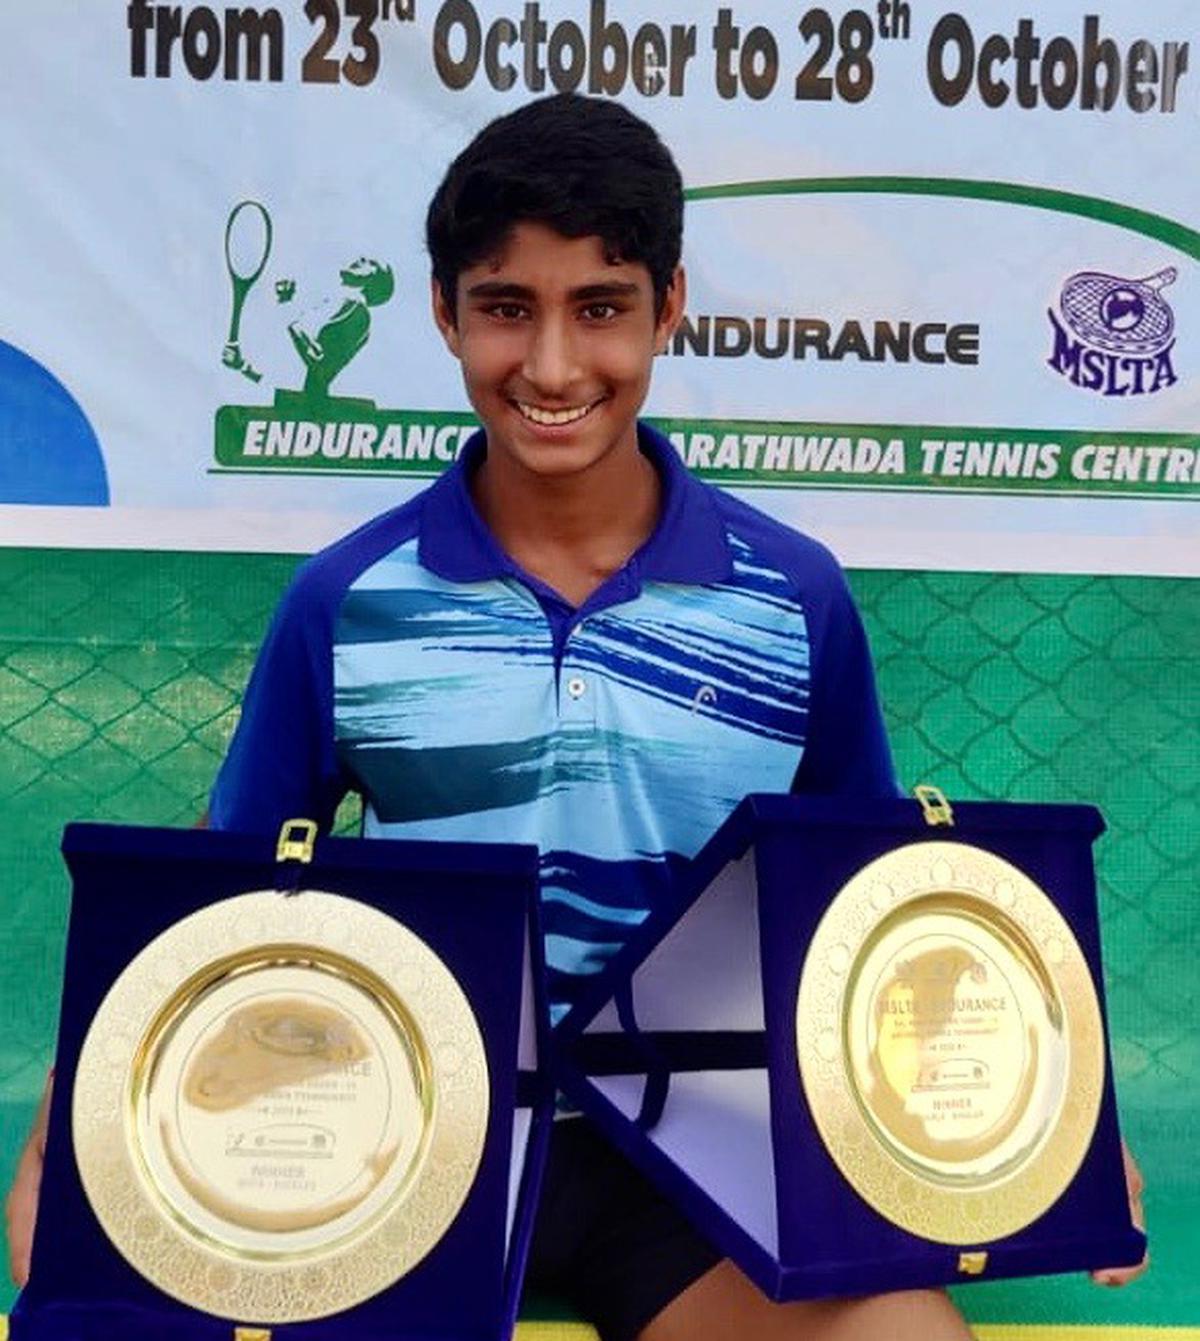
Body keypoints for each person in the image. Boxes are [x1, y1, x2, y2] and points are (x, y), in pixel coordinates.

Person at [7, 93, 1145, 1339]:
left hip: (688, 1161)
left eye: (600, 308)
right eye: (507, 308)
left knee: (905, 1334)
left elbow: (878, 912)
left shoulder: (794, 596)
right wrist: (76, 1127)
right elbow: (214, 904)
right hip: (392, 1139)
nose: (552, 368)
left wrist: (1055, 1133)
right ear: (444, 312)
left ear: (669, 308)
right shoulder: (346, 599)